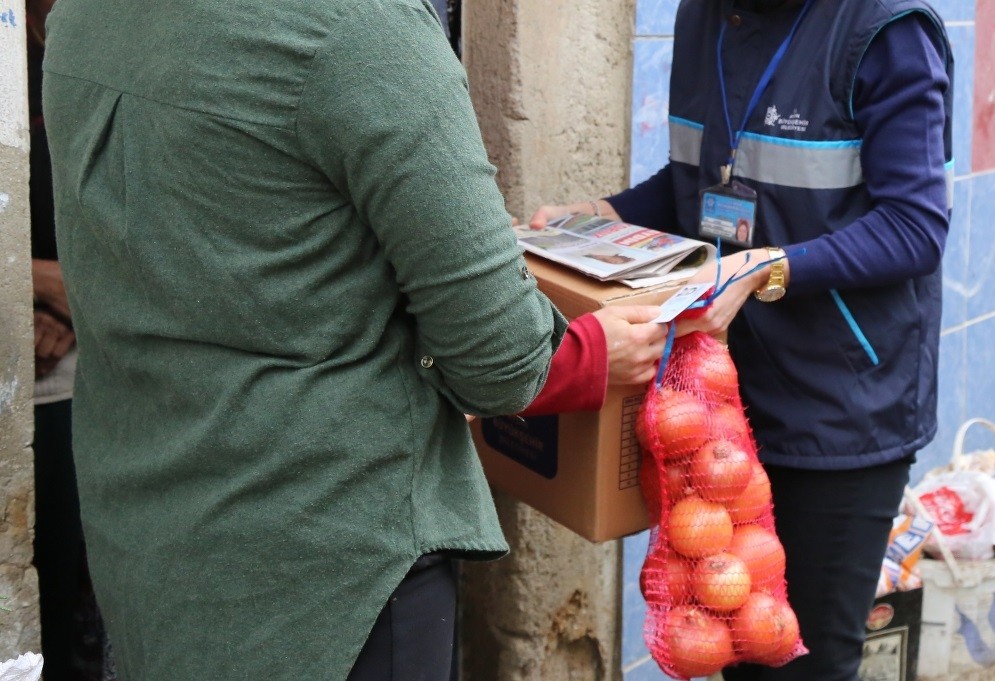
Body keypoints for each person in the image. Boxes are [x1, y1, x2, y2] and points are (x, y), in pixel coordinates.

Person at [41, 1, 667, 679]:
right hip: (326, 583)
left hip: (144, 552)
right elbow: (500, 360)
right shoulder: (359, 29)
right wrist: (589, 349)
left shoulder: (82, 14)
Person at [532, 1, 953, 679]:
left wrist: (773, 266)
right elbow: (699, 187)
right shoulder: (704, 16)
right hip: (720, 399)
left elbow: (914, 225)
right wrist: (605, 216)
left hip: (840, 406)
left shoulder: (886, 29)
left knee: (803, 657)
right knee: (738, 644)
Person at [27, 1, 114, 678]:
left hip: (121, 364)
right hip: (41, 384)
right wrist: (24, 286)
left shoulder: (128, 36)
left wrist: (75, 295)